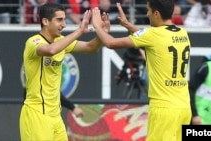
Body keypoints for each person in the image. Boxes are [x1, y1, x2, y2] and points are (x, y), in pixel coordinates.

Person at [91, 1, 191, 141]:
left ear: (156, 13)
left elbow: (111, 43)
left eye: (148, 10)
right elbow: (152, 38)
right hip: (184, 106)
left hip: (164, 109)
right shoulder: (183, 33)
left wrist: (97, 26)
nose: (146, 14)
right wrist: (127, 25)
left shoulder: (152, 35)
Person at [20, 3, 109, 141]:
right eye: (59, 20)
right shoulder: (33, 42)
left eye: (64, 19)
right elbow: (51, 50)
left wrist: (102, 33)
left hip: (56, 116)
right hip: (36, 114)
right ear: (45, 21)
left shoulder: (61, 41)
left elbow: (91, 47)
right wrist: (79, 30)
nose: (64, 24)